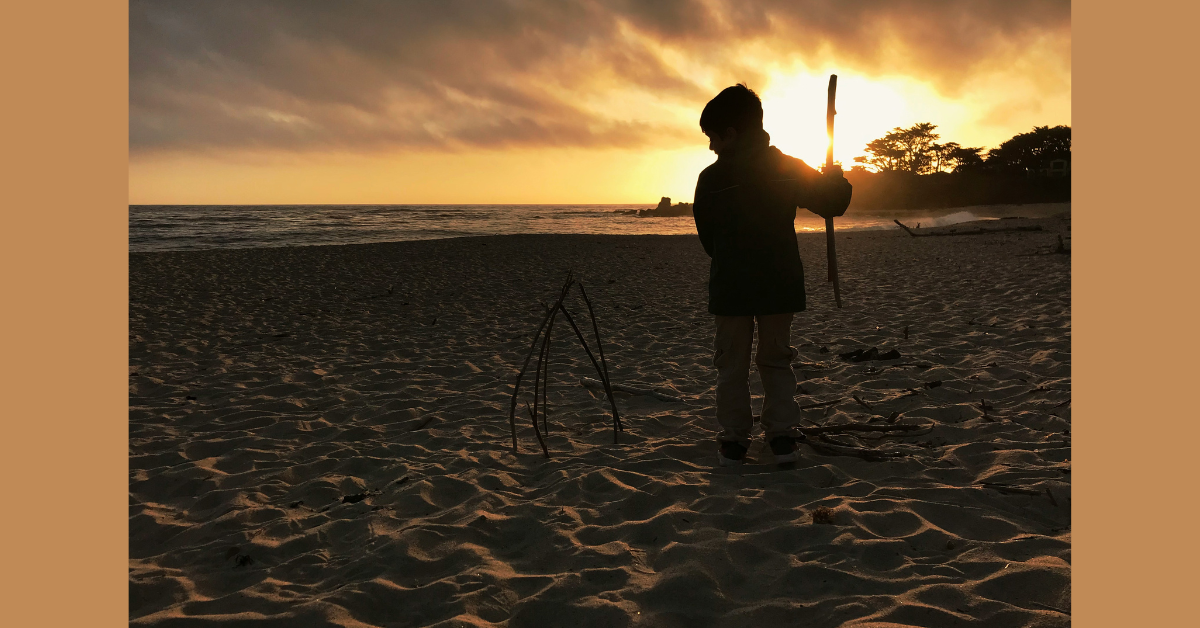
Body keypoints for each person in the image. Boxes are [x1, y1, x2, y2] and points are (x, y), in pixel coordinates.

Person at [692, 83, 852, 466]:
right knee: (775, 358)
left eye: (713, 137)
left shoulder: (712, 179)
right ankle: (781, 436)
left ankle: (735, 440)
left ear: (731, 133)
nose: (711, 146)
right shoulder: (787, 167)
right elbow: (832, 203)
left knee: (732, 363)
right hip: (779, 282)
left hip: (731, 286)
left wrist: (834, 179)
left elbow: (708, 238)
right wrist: (835, 179)